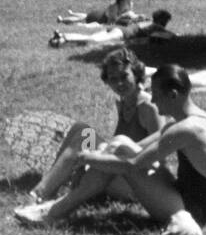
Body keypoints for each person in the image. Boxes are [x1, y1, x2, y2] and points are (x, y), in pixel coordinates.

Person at [14, 64, 206, 235]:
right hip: (185, 196)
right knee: (118, 143)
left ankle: (53, 212)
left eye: (156, 94)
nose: (153, 100)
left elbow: (133, 164)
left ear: (173, 95)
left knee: (114, 152)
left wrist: (84, 159)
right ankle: (52, 205)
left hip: (189, 209)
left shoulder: (187, 129)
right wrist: (102, 153)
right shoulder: (194, 120)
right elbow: (137, 146)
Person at [27, 47, 161, 204]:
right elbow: (115, 144)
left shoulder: (148, 107)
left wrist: (95, 159)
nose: (119, 83)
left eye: (124, 76)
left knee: (87, 145)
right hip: (120, 169)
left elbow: (161, 152)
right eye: (113, 79)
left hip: (138, 179)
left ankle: (40, 194)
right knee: (82, 130)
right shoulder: (123, 103)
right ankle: (50, 185)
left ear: (137, 75)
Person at [49, 9, 175, 48]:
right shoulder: (156, 26)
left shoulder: (147, 21)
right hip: (121, 33)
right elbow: (171, 36)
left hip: (117, 29)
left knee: (91, 40)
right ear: (163, 20)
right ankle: (64, 37)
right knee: (94, 41)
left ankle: (62, 39)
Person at [57, 0, 135, 25]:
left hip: (102, 13)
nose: (130, 3)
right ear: (121, 0)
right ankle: (61, 20)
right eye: (128, 0)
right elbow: (110, 23)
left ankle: (72, 13)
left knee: (85, 15)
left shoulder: (129, 5)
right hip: (99, 18)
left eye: (131, 0)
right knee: (82, 19)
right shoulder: (114, 7)